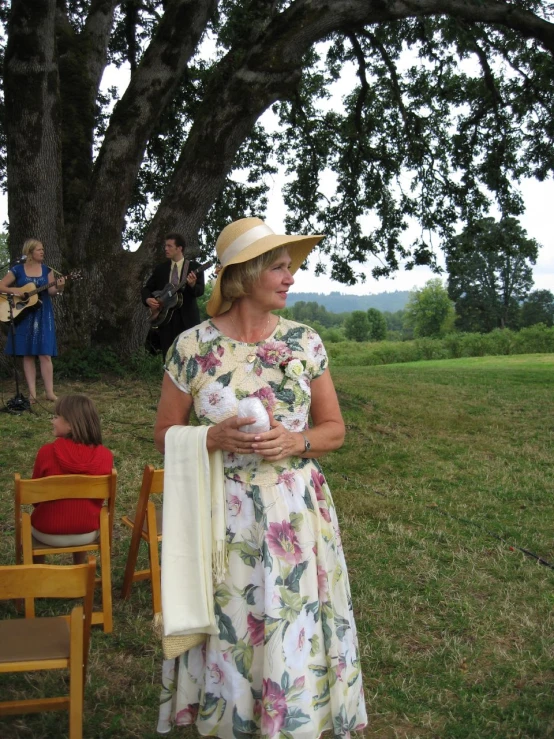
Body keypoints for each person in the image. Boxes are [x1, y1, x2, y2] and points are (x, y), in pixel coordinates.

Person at [154, 217, 367, 737]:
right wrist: (212, 438)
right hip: (221, 517)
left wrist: (298, 441)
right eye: (279, 266)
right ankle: (229, 718)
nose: (290, 276)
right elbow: (164, 432)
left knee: (290, 620)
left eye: (290, 266)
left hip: (294, 512)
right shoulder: (191, 348)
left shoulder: (305, 343)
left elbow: (335, 430)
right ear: (244, 276)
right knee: (234, 621)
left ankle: (292, 720)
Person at [31, 394, 113, 564]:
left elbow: (34, 499)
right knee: (81, 506)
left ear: (70, 424)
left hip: (47, 532)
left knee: (29, 522)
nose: (52, 421)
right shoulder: (106, 456)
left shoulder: (45, 453)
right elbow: (98, 499)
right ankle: (80, 568)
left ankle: (36, 574)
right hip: (87, 532)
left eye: (55, 416)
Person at [0, 238, 64, 402]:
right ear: (29, 252)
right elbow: (2, 286)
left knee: (45, 354)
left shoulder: (47, 270)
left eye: (43, 249)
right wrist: (17, 291)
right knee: (27, 355)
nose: (42, 252)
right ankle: (32, 394)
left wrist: (60, 287)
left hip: (43, 314)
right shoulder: (17, 270)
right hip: (23, 315)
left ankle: (49, 392)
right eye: (39, 249)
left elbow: (51, 292)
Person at [141, 232, 205, 359]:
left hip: (188, 321)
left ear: (179, 248)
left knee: (189, 358)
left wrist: (192, 285)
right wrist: (148, 299)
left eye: (170, 246)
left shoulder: (194, 267)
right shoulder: (161, 269)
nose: (166, 249)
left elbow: (200, 291)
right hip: (166, 321)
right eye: (165, 246)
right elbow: (147, 288)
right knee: (168, 358)